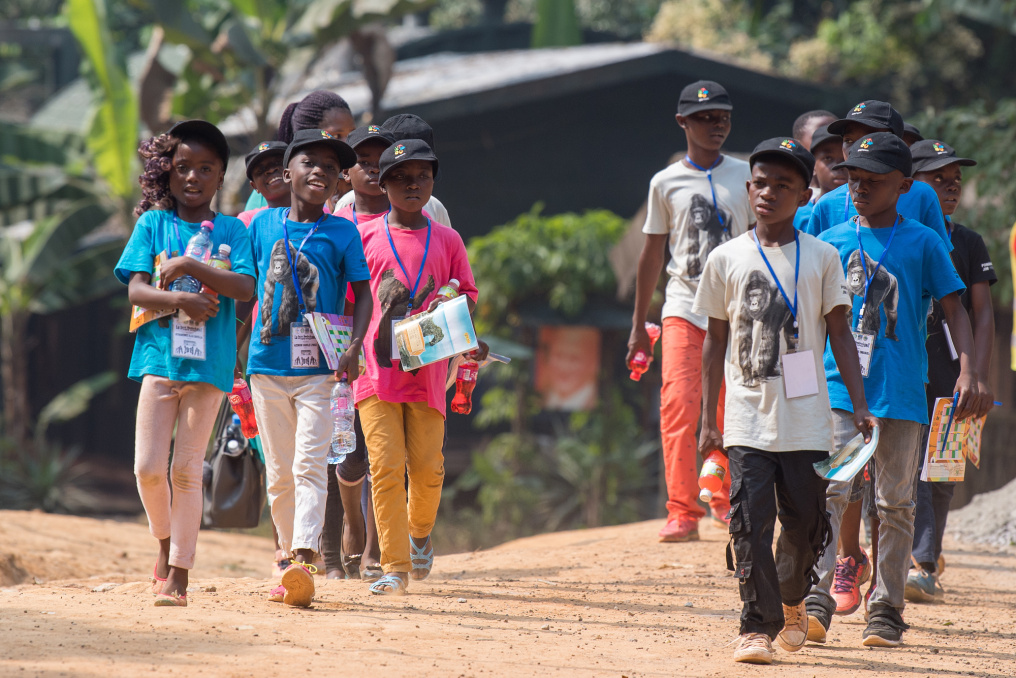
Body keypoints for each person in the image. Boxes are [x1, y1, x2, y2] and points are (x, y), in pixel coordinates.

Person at [695, 137, 876, 664]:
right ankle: (755, 626)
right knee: (749, 523)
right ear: (748, 188)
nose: (768, 192)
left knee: (804, 522)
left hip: (807, 420)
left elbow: (840, 333)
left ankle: (794, 598)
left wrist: (859, 404)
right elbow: (715, 341)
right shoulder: (725, 257)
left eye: (783, 185)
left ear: (803, 194)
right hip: (746, 418)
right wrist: (711, 420)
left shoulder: (822, 257)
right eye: (760, 182)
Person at [805, 132, 986, 647]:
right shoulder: (832, 240)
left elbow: (956, 308)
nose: (859, 189)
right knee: (835, 491)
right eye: (853, 179)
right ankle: (817, 595)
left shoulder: (925, 242)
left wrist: (970, 370)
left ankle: (885, 607)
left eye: (874, 182)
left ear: (905, 186)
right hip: (840, 390)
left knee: (896, 503)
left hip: (903, 392)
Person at [115, 120, 256, 607]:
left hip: (210, 366)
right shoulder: (153, 224)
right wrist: (180, 300)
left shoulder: (234, 230)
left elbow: (246, 288)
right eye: (182, 168)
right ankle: (162, 542)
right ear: (165, 172)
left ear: (220, 177)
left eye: (205, 169)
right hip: (158, 358)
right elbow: (135, 289)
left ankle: (179, 574)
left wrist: (194, 267)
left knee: (186, 471)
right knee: (148, 468)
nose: (193, 177)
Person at [246, 129, 372, 607]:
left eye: (330, 165)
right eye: (308, 162)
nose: (319, 170)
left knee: (309, 464)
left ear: (339, 182)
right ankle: (285, 555)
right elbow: (247, 287)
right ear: (287, 173)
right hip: (266, 366)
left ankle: (304, 555)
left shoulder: (342, 230)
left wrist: (355, 345)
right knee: (277, 471)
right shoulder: (261, 225)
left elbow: (361, 294)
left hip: (322, 368)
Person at [353, 139, 485, 595]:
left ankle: (420, 534)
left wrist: (456, 305)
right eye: (402, 178)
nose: (413, 185)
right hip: (375, 370)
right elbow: (349, 298)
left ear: (433, 183)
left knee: (428, 469)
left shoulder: (447, 238)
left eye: (422, 177)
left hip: (428, 369)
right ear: (384, 183)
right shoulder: (364, 235)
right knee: (385, 467)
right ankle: (394, 567)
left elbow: (468, 292)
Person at [626, 80, 752, 542]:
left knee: (730, 406)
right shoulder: (665, 182)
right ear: (683, 123)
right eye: (704, 117)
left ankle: (725, 498)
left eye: (723, 117)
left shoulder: (747, 175)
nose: (716, 124)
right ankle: (682, 509)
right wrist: (639, 325)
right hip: (684, 307)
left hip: (739, 310)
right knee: (679, 403)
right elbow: (652, 255)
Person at [905, 139, 995, 603]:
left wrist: (976, 376)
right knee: (896, 466)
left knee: (939, 469)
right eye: (937, 180)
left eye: (955, 181)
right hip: (900, 371)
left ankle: (924, 563)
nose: (950, 187)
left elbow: (981, 314)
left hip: (950, 373)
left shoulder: (967, 242)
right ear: (909, 184)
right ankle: (893, 555)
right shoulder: (895, 236)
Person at [322, 123, 398, 582]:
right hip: (340, 348)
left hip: (391, 353)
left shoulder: (415, 221)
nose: (371, 171)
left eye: (380, 162)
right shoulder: (333, 223)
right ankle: (345, 532)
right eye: (362, 163)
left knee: (383, 453)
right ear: (345, 174)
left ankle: (373, 551)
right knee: (342, 454)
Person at [801, 100, 950, 247]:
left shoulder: (922, 195)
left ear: (896, 142)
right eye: (849, 140)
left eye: (868, 140)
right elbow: (812, 265)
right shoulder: (826, 205)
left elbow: (941, 262)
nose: (858, 148)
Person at [243, 91, 356, 211]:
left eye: (351, 134)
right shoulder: (269, 190)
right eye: (337, 136)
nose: (348, 144)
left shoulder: (359, 184)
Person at [334, 114, 452, 227]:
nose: (375, 169)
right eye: (364, 162)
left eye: (423, 175)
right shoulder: (342, 215)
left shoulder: (427, 213)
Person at [793, 127, 846, 231]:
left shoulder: (864, 213)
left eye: (845, 158)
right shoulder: (796, 214)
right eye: (828, 158)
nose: (838, 166)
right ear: (813, 165)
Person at [238, 141, 290, 227]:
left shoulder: (318, 212)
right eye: (260, 170)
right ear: (254, 186)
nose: (271, 170)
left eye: (279, 162)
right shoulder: (249, 220)